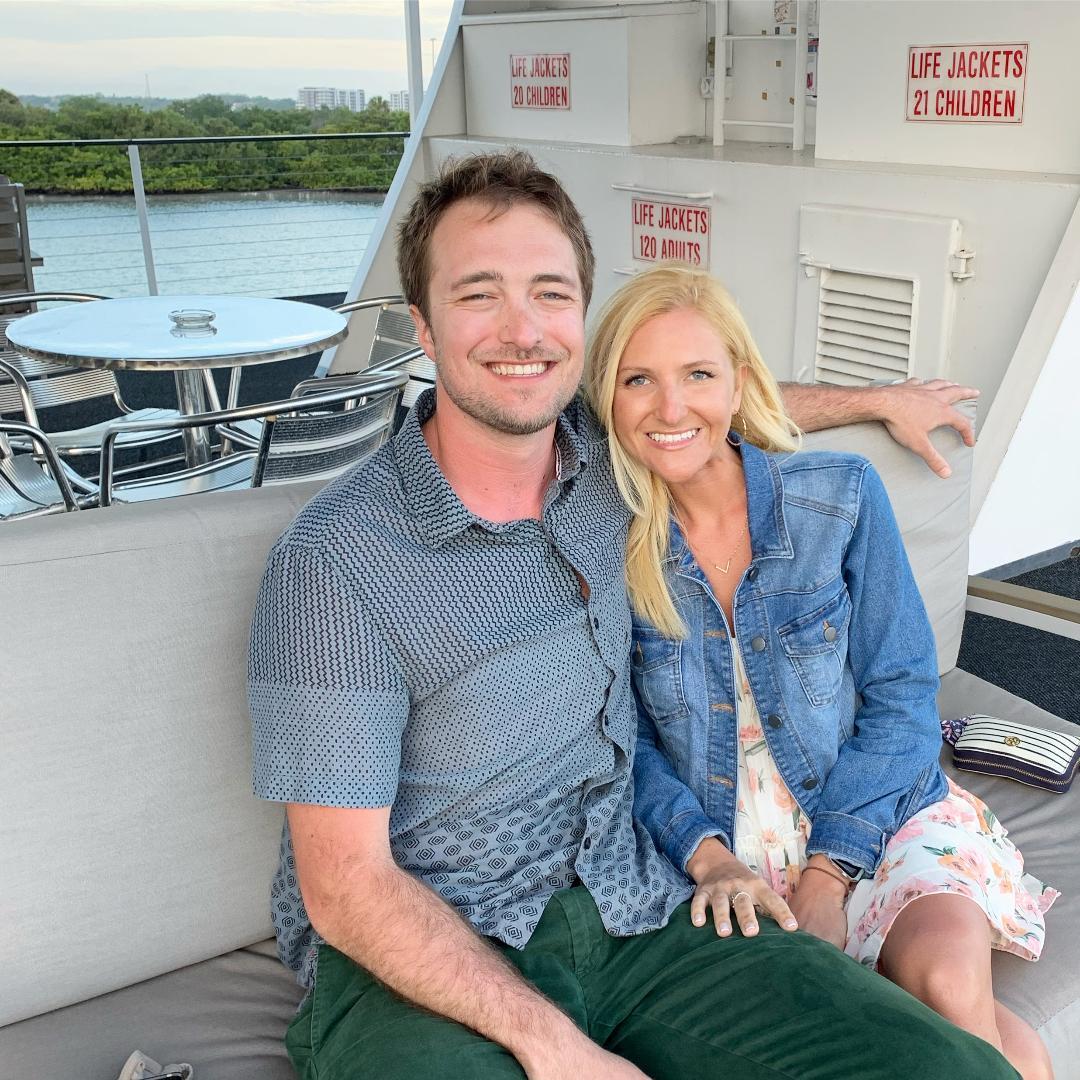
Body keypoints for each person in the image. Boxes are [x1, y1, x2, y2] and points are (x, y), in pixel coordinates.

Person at [248, 150, 1018, 1080]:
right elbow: (345, 886)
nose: (522, 329)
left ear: (580, 321)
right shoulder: (336, 561)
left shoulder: (607, 462)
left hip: (637, 905)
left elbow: (699, 407)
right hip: (426, 951)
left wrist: (877, 400)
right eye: (479, 295)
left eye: (550, 294)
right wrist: (557, 1048)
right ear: (422, 323)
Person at [584, 263, 1057, 1079]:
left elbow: (904, 696)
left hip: (876, 811)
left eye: (698, 375)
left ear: (739, 383)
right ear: (607, 401)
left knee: (948, 985)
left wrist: (829, 875)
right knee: (969, 1044)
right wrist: (709, 858)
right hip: (725, 853)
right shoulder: (601, 546)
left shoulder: (837, 498)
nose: (671, 408)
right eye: (638, 380)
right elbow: (625, 744)